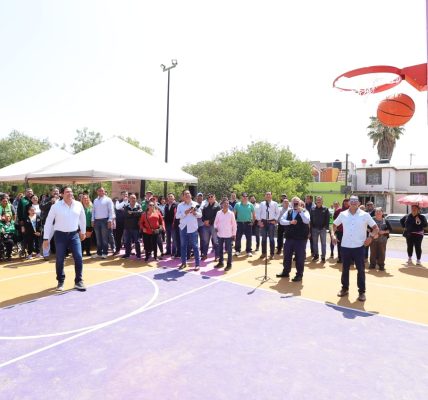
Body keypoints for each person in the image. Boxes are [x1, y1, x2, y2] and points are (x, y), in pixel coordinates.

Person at [332, 195, 379, 302]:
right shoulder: (342, 214)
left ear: (359, 203)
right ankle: (344, 289)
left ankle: (362, 292)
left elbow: (376, 228)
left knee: (361, 270)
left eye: (355, 201)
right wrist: (333, 235)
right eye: (351, 201)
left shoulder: (365, 215)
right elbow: (334, 225)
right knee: (345, 269)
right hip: (345, 246)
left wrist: (371, 237)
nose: (353, 202)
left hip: (359, 247)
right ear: (348, 203)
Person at [43, 187, 87, 292]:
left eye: (71, 192)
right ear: (62, 194)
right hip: (60, 235)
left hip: (74, 235)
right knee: (60, 258)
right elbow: (48, 222)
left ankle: (79, 281)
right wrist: (46, 238)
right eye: (67, 192)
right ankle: (60, 281)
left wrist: (83, 231)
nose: (70, 193)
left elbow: (82, 218)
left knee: (78, 256)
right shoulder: (55, 206)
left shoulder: (78, 204)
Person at [276, 197, 311, 282]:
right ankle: (286, 272)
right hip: (289, 238)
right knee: (287, 256)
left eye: (297, 202)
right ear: (291, 203)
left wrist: (300, 211)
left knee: (299, 257)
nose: (295, 204)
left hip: (300, 239)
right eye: (294, 202)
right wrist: (290, 222)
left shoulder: (305, 211)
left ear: (300, 203)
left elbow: (307, 221)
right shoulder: (289, 211)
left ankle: (299, 275)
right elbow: (281, 221)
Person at [176, 190, 202, 271]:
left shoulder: (195, 204)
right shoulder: (180, 205)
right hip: (183, 228)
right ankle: (183, 263)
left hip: (193, 228)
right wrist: (185, 213)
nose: (187, 195)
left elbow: (200, 215)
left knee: (195, 246)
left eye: (188, 193)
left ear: (191, 195)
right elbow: (177, 216)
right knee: (183, 246)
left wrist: (195, 213)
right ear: (183, 196)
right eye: (185, 194)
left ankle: (197, 265)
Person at [91, 187, 115, 259]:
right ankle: (99, 253)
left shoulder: (108, 199)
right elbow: (93, 211)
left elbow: (111, 210)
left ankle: (105, 253)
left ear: (104, 192)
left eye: (102, 191)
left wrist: (110, 220)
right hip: (96, 221)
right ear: (97, 192)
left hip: (105, 220)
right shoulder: (95, 200)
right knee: (98, 238)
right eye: (99, 191)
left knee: (104, 238)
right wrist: (92, 220)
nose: (101, 192)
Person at [214, 198, 237, 271]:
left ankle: (229, 265)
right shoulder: (218, 213)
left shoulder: (231, 213)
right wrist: (215, 227)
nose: (226, 205)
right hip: (220, 234)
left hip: (228, 235)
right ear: (222, 205)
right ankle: (221, 263)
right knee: (220, 250)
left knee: (229, 251)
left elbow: (234, 225)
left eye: (227, 203)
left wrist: (234, 234)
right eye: (224, 203)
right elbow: (215, 222)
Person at [258, 191, 280, 259]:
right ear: (265, 196)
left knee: (271, 239)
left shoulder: (275, 203)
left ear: (271, 196)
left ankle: (272, 254)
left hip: (271, 222)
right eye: (266, 194)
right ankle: (263, 253)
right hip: (263, 222)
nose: (268, 196)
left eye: (269, 194)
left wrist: (275, 220)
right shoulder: (262, 203)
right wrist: (259, 221)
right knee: (263, 239)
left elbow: (278, 213)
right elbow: (258, 213)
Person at [234, 192, 255, 257]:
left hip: (248, 223)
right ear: (241, 197)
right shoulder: (237, 205)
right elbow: (233, 214)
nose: (245, 197)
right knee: (238, 238)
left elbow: (254, 214)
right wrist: (234, 222)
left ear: (247, 197)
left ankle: (248, 251)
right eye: (244, 196)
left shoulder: (251, 205)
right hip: (239, 223)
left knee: (249, 238)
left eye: (246, 196)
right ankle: (237, 250)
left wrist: (253, 222)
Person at [310, 196, 330, 262]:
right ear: (316, 201)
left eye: (320, 200)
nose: (318, 201)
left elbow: (327, 219)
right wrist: (312, 227)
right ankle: (316, 255)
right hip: (314, 229)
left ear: (322, 201)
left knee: (323, 243)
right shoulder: (312, 209)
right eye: (317, 200)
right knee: (315, 243)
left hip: (323, 229)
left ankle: (323, 257)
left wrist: (325, 227)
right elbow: (311, 219)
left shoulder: (325, 209)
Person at [122, 194, 142, 259]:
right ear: (129, 199)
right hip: (127, 227)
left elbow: (140, 214)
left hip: (136, 227)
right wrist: (135, 213)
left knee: (137, 242)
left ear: (136, 199)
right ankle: (127, 254)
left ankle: (138, 255)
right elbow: (125, 215)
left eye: (134, 198)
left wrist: (131, 213)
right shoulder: (126, 206)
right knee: (127, 242)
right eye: (131, 198)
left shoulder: (138, 206)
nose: (133, 199)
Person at [201, 193, 220, 260]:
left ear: (215, 198)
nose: (210, 198)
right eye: (209, 197)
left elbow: (216, 217)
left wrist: (209, 221)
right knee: (205, 241)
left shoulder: (218, 207)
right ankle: (205, 255)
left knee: (215, 241)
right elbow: (203, 216)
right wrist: (204, 221)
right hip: (206, 226)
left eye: (212, 196)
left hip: (214, 226)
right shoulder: (205, 206)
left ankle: (217, 256)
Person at [333, 198, 350, 263]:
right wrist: (335, 230)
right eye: (344, 203)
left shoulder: (352, 210)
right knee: (340, 245)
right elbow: (335, 221)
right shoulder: (339, 210)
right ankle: (340, 258)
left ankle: (350, 259)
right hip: (340, 231)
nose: (346, 204)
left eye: (347, 203)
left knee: (349, 245)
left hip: (349, 232)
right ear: (343, 203)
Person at [114, 191, 128, 255]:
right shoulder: (118, 201)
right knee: (118, 237)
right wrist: (123, 202)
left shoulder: (130, 201)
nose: (125, 195)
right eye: (124, 194)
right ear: (121, 195)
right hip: (119, 222)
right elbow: (117, 207)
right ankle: (117, 250)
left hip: (128, 222)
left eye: (126, 194)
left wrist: (123, 208)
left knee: (128, 237)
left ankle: (128, 251)